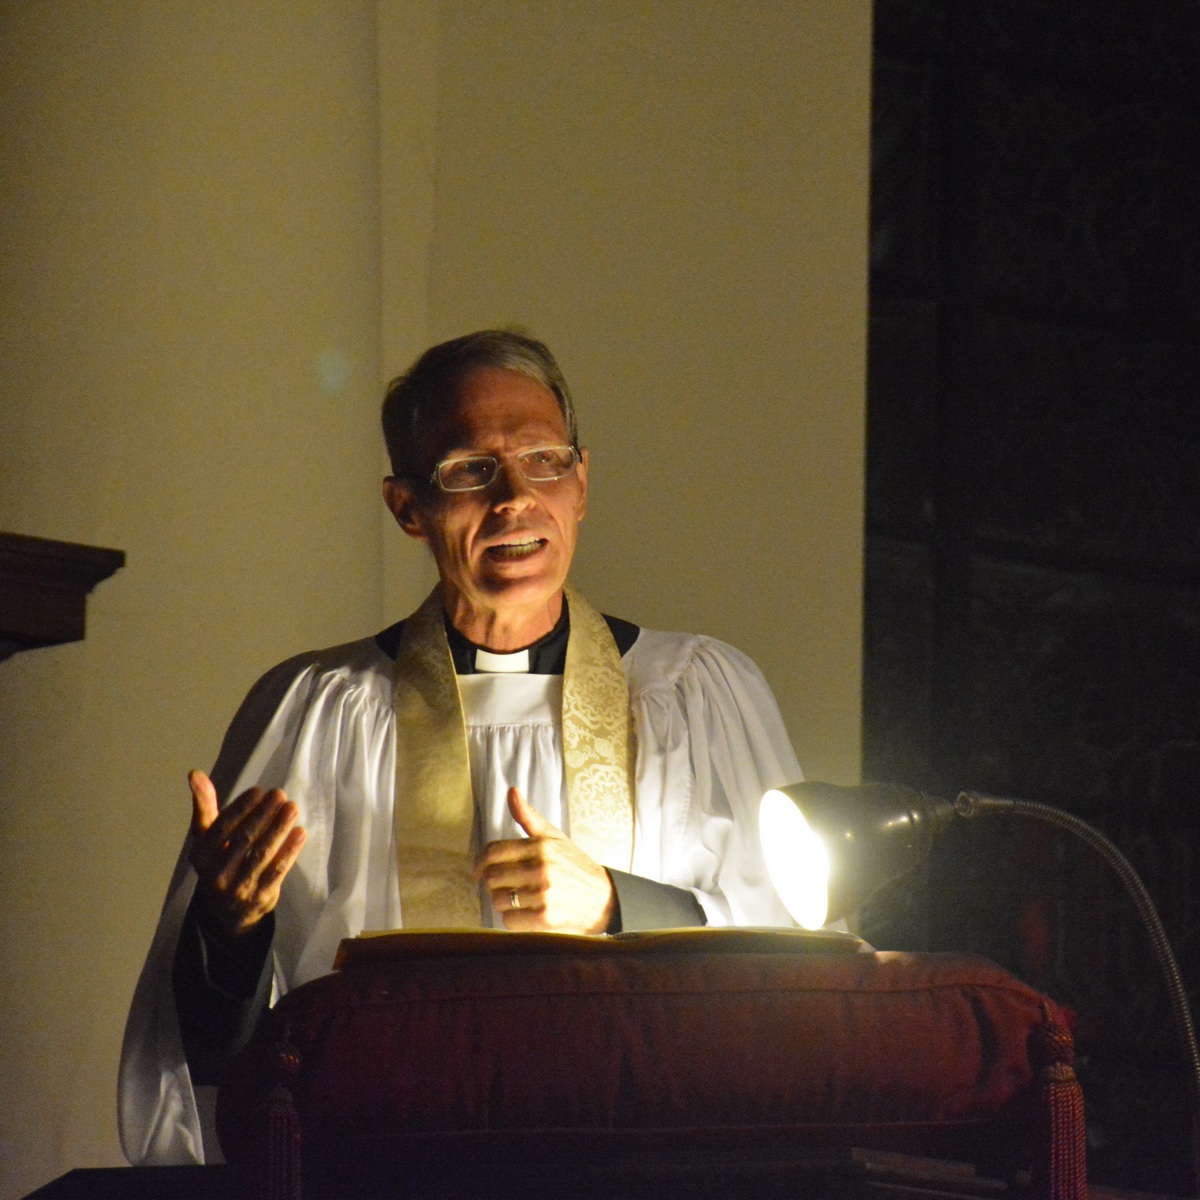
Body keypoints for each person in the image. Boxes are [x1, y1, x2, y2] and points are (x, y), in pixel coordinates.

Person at [119, 329, 801, 1166]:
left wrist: (617, 907)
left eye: (544, 460)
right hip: (386, 1171)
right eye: (470, 470)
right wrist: (230, 932)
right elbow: (213, 1058)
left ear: (582, 483)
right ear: (407, 507)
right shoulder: (313, 713)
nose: (516, 498)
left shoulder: (697, 696)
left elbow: (796, 983)